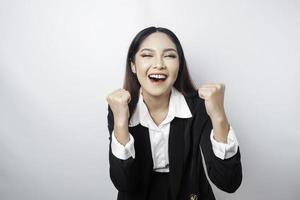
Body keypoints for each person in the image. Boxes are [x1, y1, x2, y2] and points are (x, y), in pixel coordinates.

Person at [106, 26, 242, 200]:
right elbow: (124, 183)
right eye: (147, 55)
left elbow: (229, 182)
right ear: (133, 65)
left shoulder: (199, 106)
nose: (159, 64)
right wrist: (120, 123)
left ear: (179, 66)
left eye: (169, 55)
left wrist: (219, 116)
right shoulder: (120, 107)